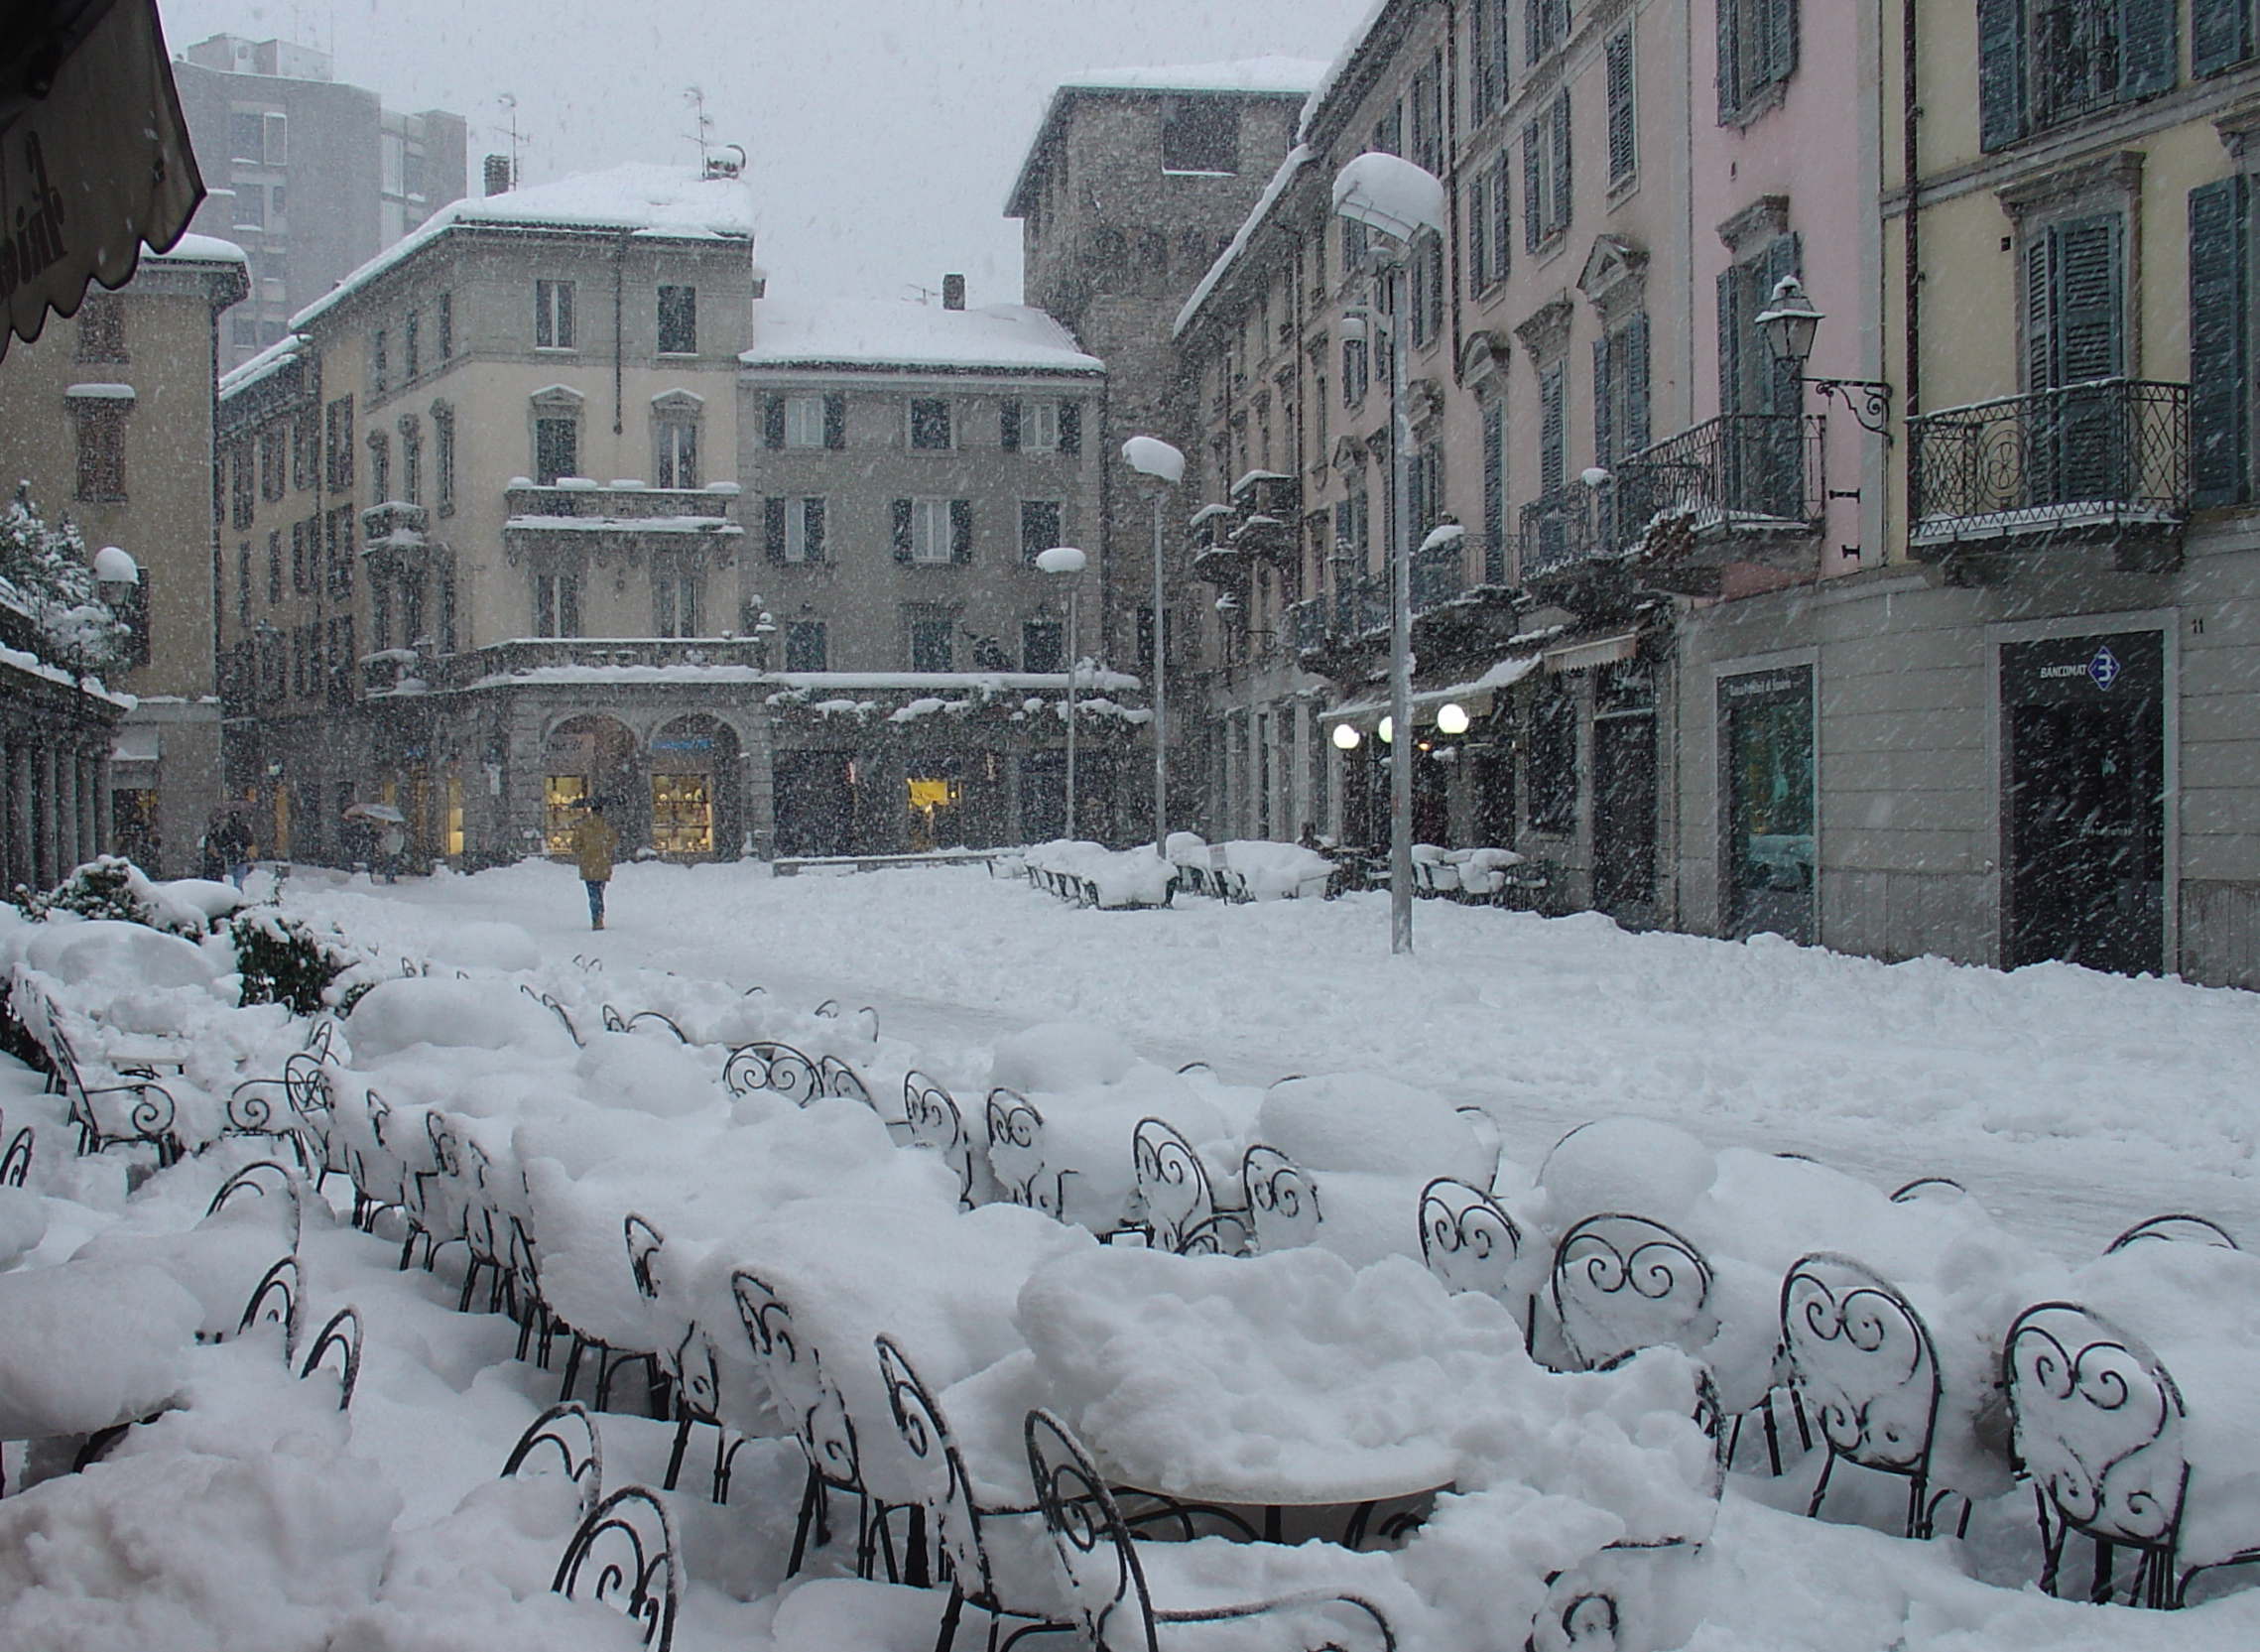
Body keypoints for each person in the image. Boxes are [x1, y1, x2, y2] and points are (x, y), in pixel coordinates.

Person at [571, 799, 617, 931]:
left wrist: (583, 852)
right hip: (602, 864)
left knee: (592, 892)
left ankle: (595, 917)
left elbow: (575, 845)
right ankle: (600, 915)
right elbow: (612, 842)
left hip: (588, 864)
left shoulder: (582, 827)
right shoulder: (607, 828)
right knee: (600, 891)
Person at [210, 810, 252, 889]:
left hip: (232, 857)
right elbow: (249, 841)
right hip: (240, 857)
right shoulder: (243, 828)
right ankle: (237, 890)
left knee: (232, 877)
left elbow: (222, 843)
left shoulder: (227, 830)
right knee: (238, 877)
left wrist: (224, 850)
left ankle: (234, 891)